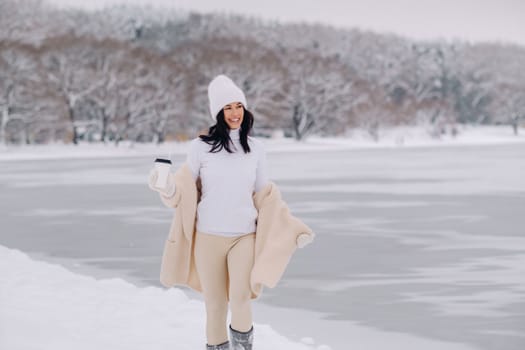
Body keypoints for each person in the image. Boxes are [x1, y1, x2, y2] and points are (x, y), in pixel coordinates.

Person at [148, 74, 314, 350]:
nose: (235, 113)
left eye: (238, 106)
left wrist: (291, 227)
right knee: (215, 305)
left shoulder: (256, 149)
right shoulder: (201, 147)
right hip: (207, 237)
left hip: (243, 237)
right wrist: (165, 186)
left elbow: (266, 197)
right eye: (228, 107)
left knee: (240, 300)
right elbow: (183, 191)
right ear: (218, 112)